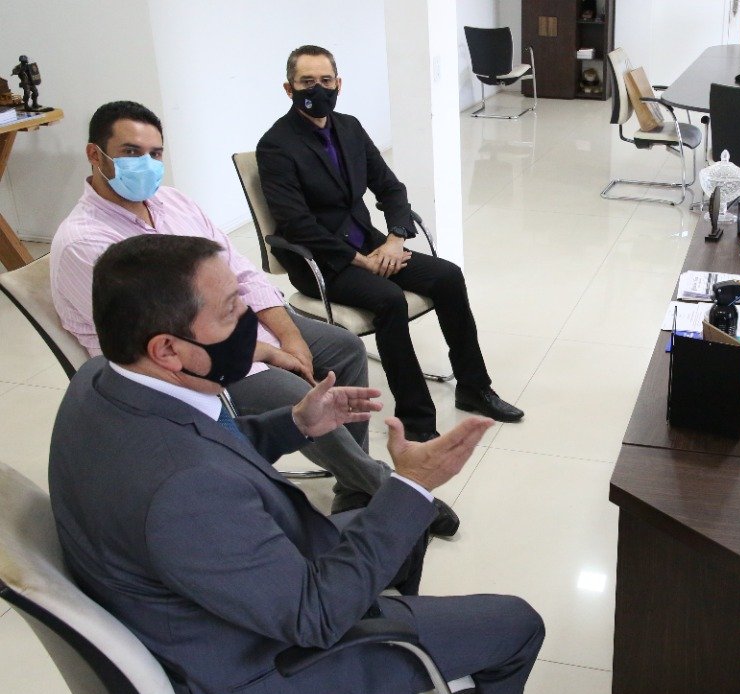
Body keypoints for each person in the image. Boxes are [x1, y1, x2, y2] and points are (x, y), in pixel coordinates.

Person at [49, 234, 545, 694]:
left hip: (222, 597)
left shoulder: (101, 380)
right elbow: (314, 617)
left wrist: (295, 424)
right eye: (231, 310)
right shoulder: (185, 493)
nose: (251, 320)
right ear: (168, 349)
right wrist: (412, 485)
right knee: (515, 624)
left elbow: (201, 445)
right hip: (266, 672)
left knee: (400, 533)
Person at [50, 100, 457, 530]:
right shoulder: (86, 243)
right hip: (184, 364)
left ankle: (352, 482)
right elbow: (167, 339)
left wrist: (291, 337)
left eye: (155, 154)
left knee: (344, 348)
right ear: (96, 155)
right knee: (294, 392)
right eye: (131, 152)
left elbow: (239, 272)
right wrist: (269, 352)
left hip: (230, 324)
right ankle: (386, 488)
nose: (147, 165)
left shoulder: (173, 203)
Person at [257, 44, 523, 442]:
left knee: (448, 276)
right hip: (321, 261)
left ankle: (473, 387)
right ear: (288, 88)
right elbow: (296, 224)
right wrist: (360, 260)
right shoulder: (276, 145)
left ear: (339, 84)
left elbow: (390, 188)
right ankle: (417, 419)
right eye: (307, 82)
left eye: (326, 80)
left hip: (372, 244)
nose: (318, 89)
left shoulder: (349, 128)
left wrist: (396, 239)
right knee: (389, 300)